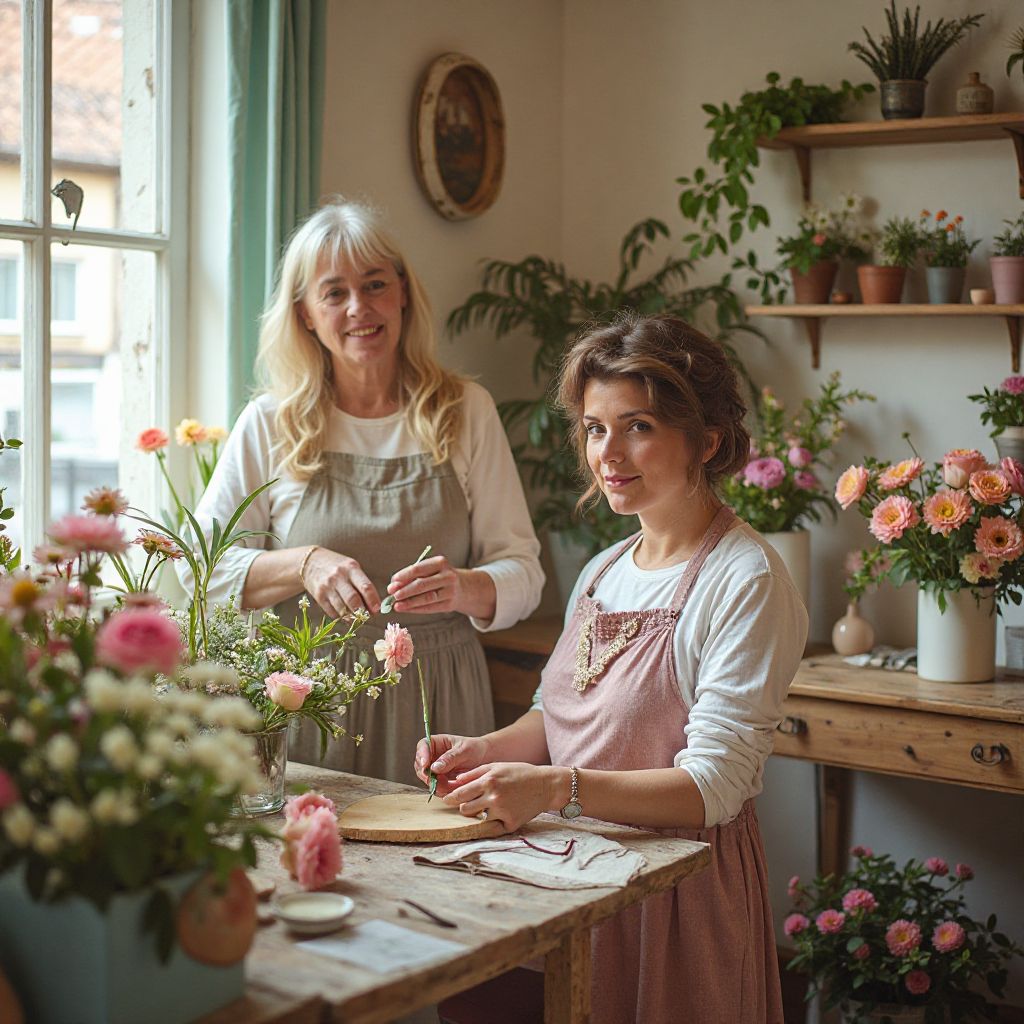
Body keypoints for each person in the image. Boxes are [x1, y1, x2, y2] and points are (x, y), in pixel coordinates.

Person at [416, 312, 807, 1024]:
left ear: (707, 441)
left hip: (671, 899)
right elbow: (556, 717)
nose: (609, 453)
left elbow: (712, 787)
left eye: (639, 426)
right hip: (563, 878)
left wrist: (554, 788)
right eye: (595, 428)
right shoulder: (601, 570)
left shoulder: (744, 580)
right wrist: (486, 753)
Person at [187, 197, 544, 786]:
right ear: (304, 313)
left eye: (375, 284)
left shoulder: (464, 411)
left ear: (403, 292)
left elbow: (524, 572)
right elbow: (203, 568)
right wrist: (303, 563)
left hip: (442, 706)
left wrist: (466, 587)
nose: (360, 308)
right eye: (334, 292)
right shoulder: (271, 422)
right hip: (312, 705)